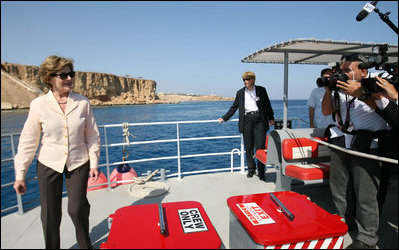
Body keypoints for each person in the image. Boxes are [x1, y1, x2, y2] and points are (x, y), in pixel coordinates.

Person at [13, 55, 101, 249]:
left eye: (71, 74)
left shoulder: (83, 103)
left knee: (77, 208)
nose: (69, 78)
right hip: (48, 162)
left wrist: (94, 162)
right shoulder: (38, 105)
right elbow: (28, 141)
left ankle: (85, 245)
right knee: (50, 213)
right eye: (64, 75)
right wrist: (20, 174)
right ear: (50, 78)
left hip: (78, 161)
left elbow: (93, 136)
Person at [322, 54, 391, 249]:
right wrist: (329, 90)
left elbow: (383, 108)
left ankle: (368, 238)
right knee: (339, 186)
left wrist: (359, 92)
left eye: (347, 70)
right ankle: (345, 220)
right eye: (342, 70)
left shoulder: (375, 86)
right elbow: (327, 112)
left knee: (366, 193)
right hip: (343, 140)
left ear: (363, 71)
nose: (343, 74)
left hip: (367, 145)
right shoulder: (341, 90)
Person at [218, 71, 274, 181]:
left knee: (260, 147)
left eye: (247, 79)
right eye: (244, 80)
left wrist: (271, 118)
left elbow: (267, 104)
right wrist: (224, 118)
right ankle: (251, 169)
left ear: (253, 80)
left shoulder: (261, 90)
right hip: (247, 121)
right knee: (248, 147)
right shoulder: (240, 93)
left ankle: (262, 172)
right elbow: (234, 107)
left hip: (259, 120)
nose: (245, 81)